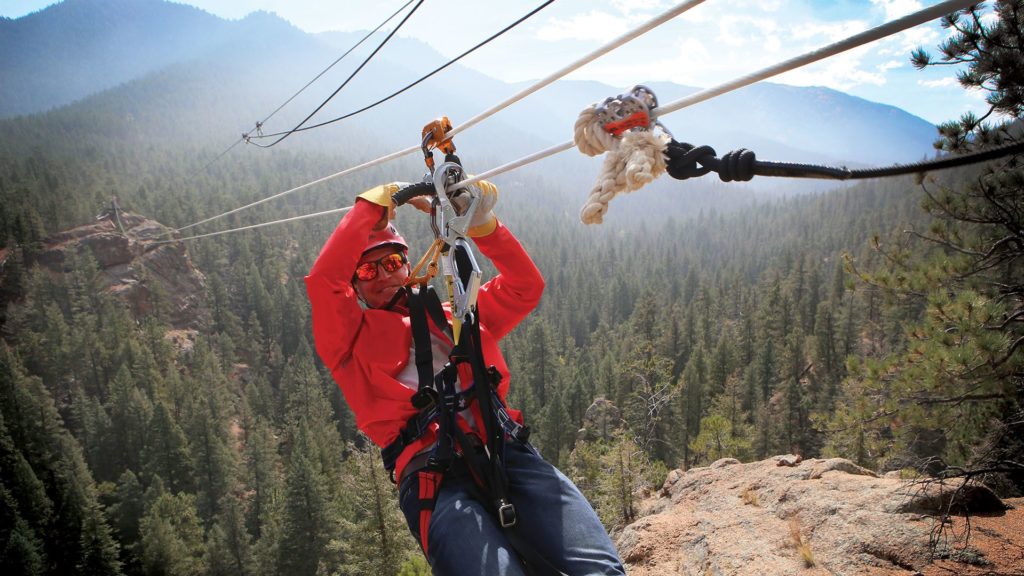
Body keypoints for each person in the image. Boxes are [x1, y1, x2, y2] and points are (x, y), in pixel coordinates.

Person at [305, 180, 625, 575]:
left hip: (505, 447)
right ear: (354, 285)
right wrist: (376, 203)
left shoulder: (456, 313)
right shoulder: (348, 344)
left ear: (407, 265)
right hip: (434, 477)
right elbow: (323, 282)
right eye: (368, 269)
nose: (383, 275)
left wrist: (484, 225)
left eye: (391, 263)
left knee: (599, 570)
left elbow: (525, 288)